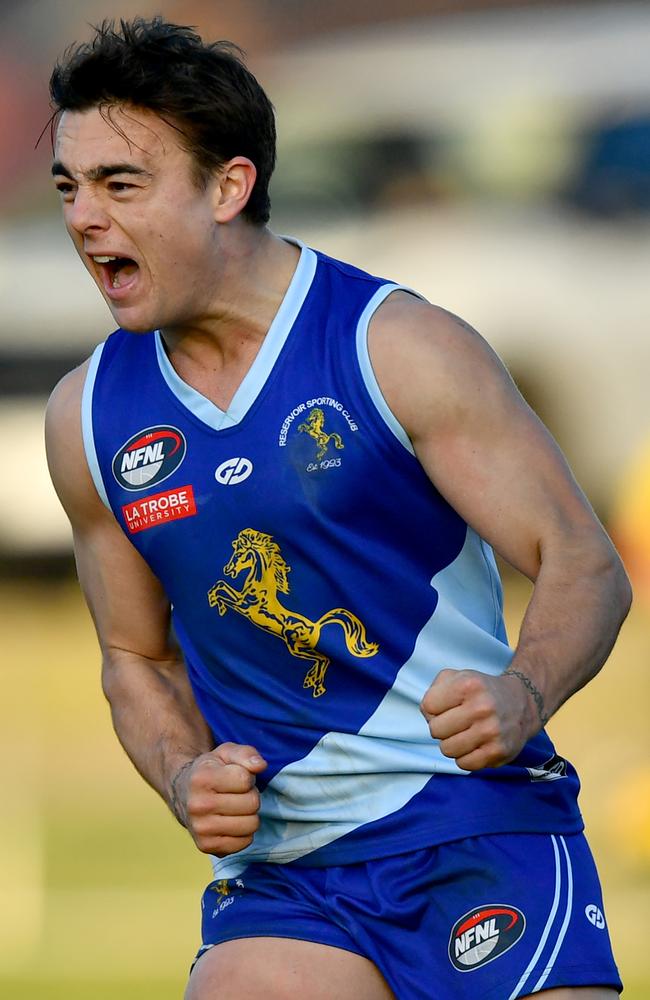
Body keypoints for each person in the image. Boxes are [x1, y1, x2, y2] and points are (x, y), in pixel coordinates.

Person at [44, 17, 631, 1000]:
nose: (83, 217)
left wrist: (522, 693)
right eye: (69, 186)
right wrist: (184, 773)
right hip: (290, 873)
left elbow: (582, 562)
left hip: (469, 824)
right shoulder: (89, 418)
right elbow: (134, 658)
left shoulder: (397, 348)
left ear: (227, 187)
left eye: (121, 183)